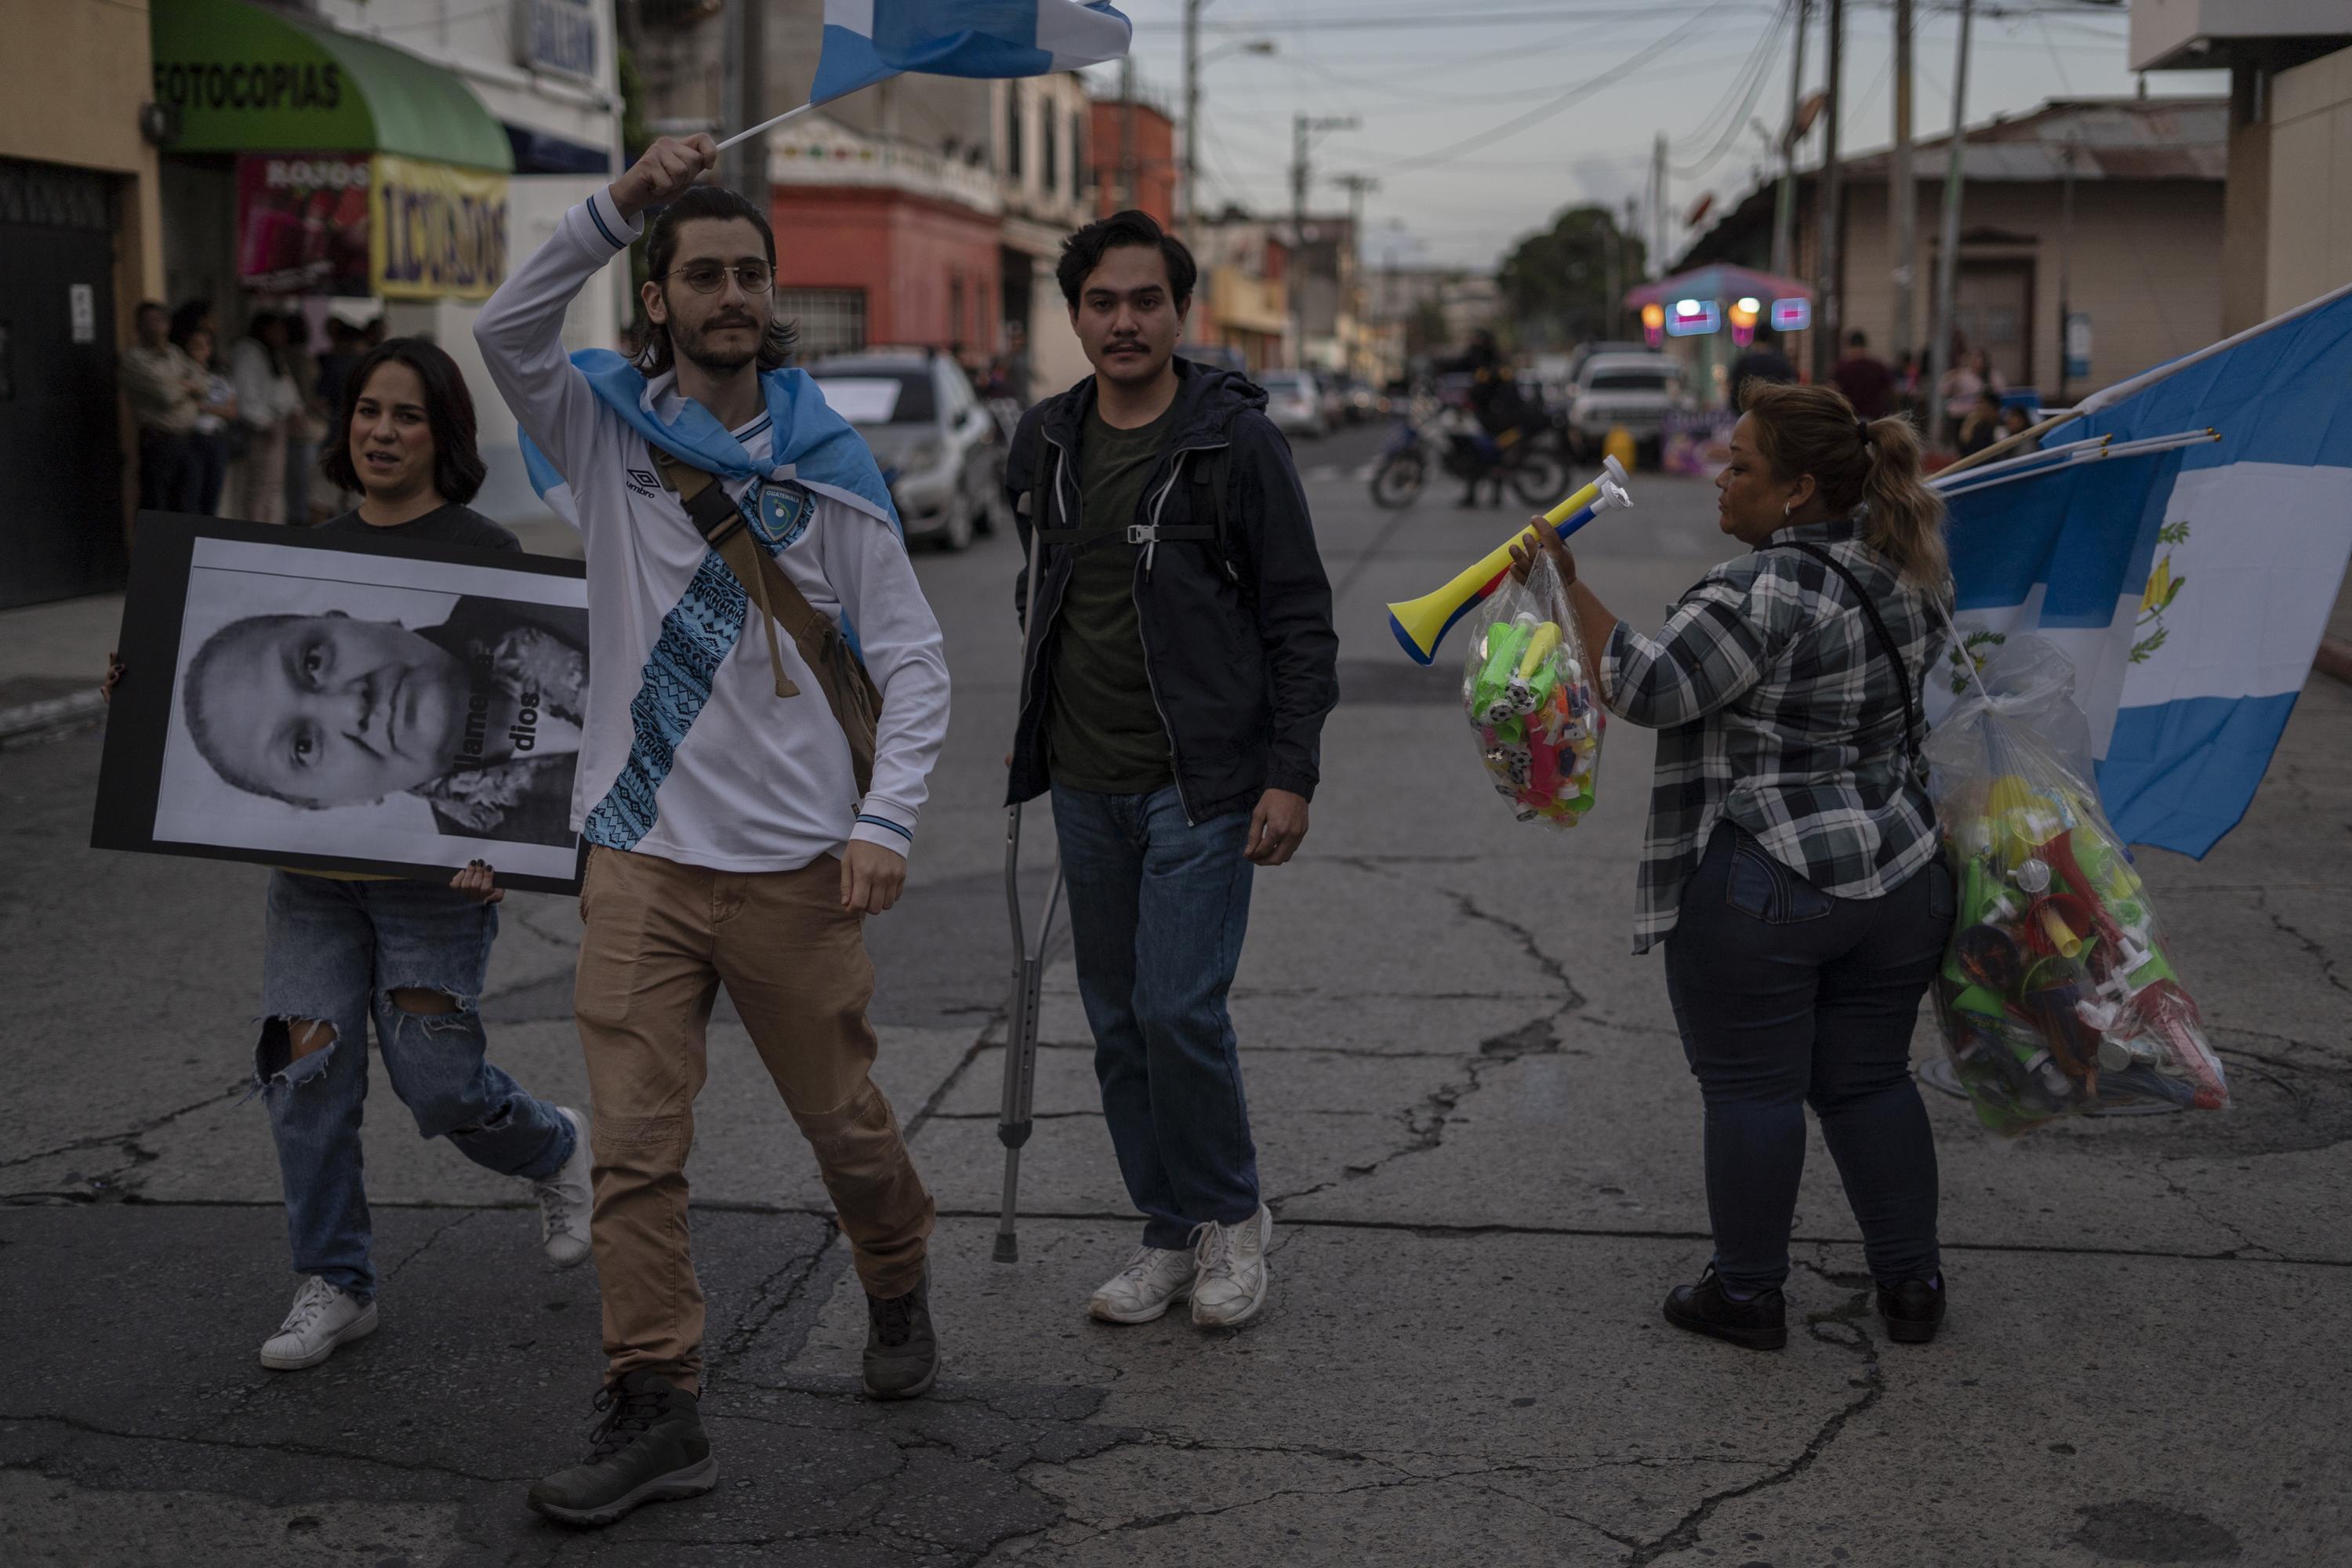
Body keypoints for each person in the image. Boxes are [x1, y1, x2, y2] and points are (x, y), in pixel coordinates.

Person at [475, 135, 953, 1526]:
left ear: (769, 297)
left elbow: (914, 657)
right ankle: (657, 1402)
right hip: (639, 860)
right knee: (633, 1147)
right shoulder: (604, 422)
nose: (730, 293)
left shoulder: (828, 465)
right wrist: (617, 203)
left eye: (750, 274)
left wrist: (886, 819)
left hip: (801, 871)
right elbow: (506, 328)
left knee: (845, 1128)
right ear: (661, 297)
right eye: (702, 273)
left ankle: (896, 1265)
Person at [101, 335, 593, 1380]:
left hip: (440, 893)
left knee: (441, 1087)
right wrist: (137, 701)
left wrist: (507, 853)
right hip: (315, 891)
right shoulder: (308, 545)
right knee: (304, 1071)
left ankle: (552, 1144)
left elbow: (604, 752)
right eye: (367, 411)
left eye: (405, 413)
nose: (381, 430)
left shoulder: (491, 564)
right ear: (306, 795)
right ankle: (338, 1281)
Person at [1506, 379, 1954, 1352]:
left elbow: (1644, 684)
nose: (1721, 474)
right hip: (1904, 875)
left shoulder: (1760, 587)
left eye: (1741, 463)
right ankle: (1913, 1284)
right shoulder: (1909, 570)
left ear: (1796, 491)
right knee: (1871, 1080)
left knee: (1752, 1089)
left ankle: (1747, 1294)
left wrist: (1565, 577)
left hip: (1769, 879)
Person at [1003, 210, 1338, 1334]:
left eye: (1146, 300)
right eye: (1103, 302)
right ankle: (1167, 1229)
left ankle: (1233, 1218)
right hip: (1084, 781)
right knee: (1115, 1022)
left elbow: (1299, 615)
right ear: (1075, 317)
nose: (1124, 321)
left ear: (1179, 312)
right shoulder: (1045, 441)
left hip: (1203, 782)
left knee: (1178, 1008)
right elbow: (1042, 587)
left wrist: (1289, 771)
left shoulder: (1232, 442)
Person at [122, 300, 205, 514]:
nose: (155, 326)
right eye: (149, 321)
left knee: (187, 504)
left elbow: (203, 383)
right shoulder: (135, 359)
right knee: (158, 505)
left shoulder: (175, 354)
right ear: (138, 326)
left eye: (160, 320)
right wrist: (186, 387)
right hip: (158, 440)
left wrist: (183, 385)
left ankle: (183, 547)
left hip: (186, 438)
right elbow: (165, 394)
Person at [230, 311, 301, 524]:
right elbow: (246, 394)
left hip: (275, 423)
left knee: (272, 485)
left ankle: (268, 529)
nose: (282, 335)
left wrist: (295, 410)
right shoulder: (248, 352)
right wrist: (262, 421)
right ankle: (257, 532)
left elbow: (284, 389)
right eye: (277, 329)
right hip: (262, 427)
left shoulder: (270, 353)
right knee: (261, 486)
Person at [176, 321, 238, 516]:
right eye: (196, 346)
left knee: (213, 492)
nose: (201, 351)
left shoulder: (218, 377)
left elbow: (231, 410)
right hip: (193, 437)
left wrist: (204, 406)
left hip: (216, 437)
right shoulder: (182, 374)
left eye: (205, 346)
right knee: (192, 492)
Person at [283, 315, 332, 525]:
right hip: (305, 427)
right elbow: (307, 393)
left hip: (303, 427)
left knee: (300, 482)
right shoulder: (299, 358)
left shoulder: (292, 356)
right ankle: (302, 521)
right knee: (305, 484)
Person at [1831, 330, 1894, 421]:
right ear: (1865, 346)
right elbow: (1890, 391)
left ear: (1849, 346)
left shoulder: (1841, 368)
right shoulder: (1878, 367)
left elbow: (1833, 390)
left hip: (1850, 417)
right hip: (1875, 418)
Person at [1728, 327, 1797, 398]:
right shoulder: (1781, 360)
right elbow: (1791, 383)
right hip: (1776, 404)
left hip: (1750, 404)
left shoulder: (1746, 361)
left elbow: (1734, 385)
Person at [1957, 388, 2003, 458]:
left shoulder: (2001, 427)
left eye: (1982, 403)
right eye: (1978, 403)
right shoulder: (1978, 426)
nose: (1979, 408)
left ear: (1993, 407)